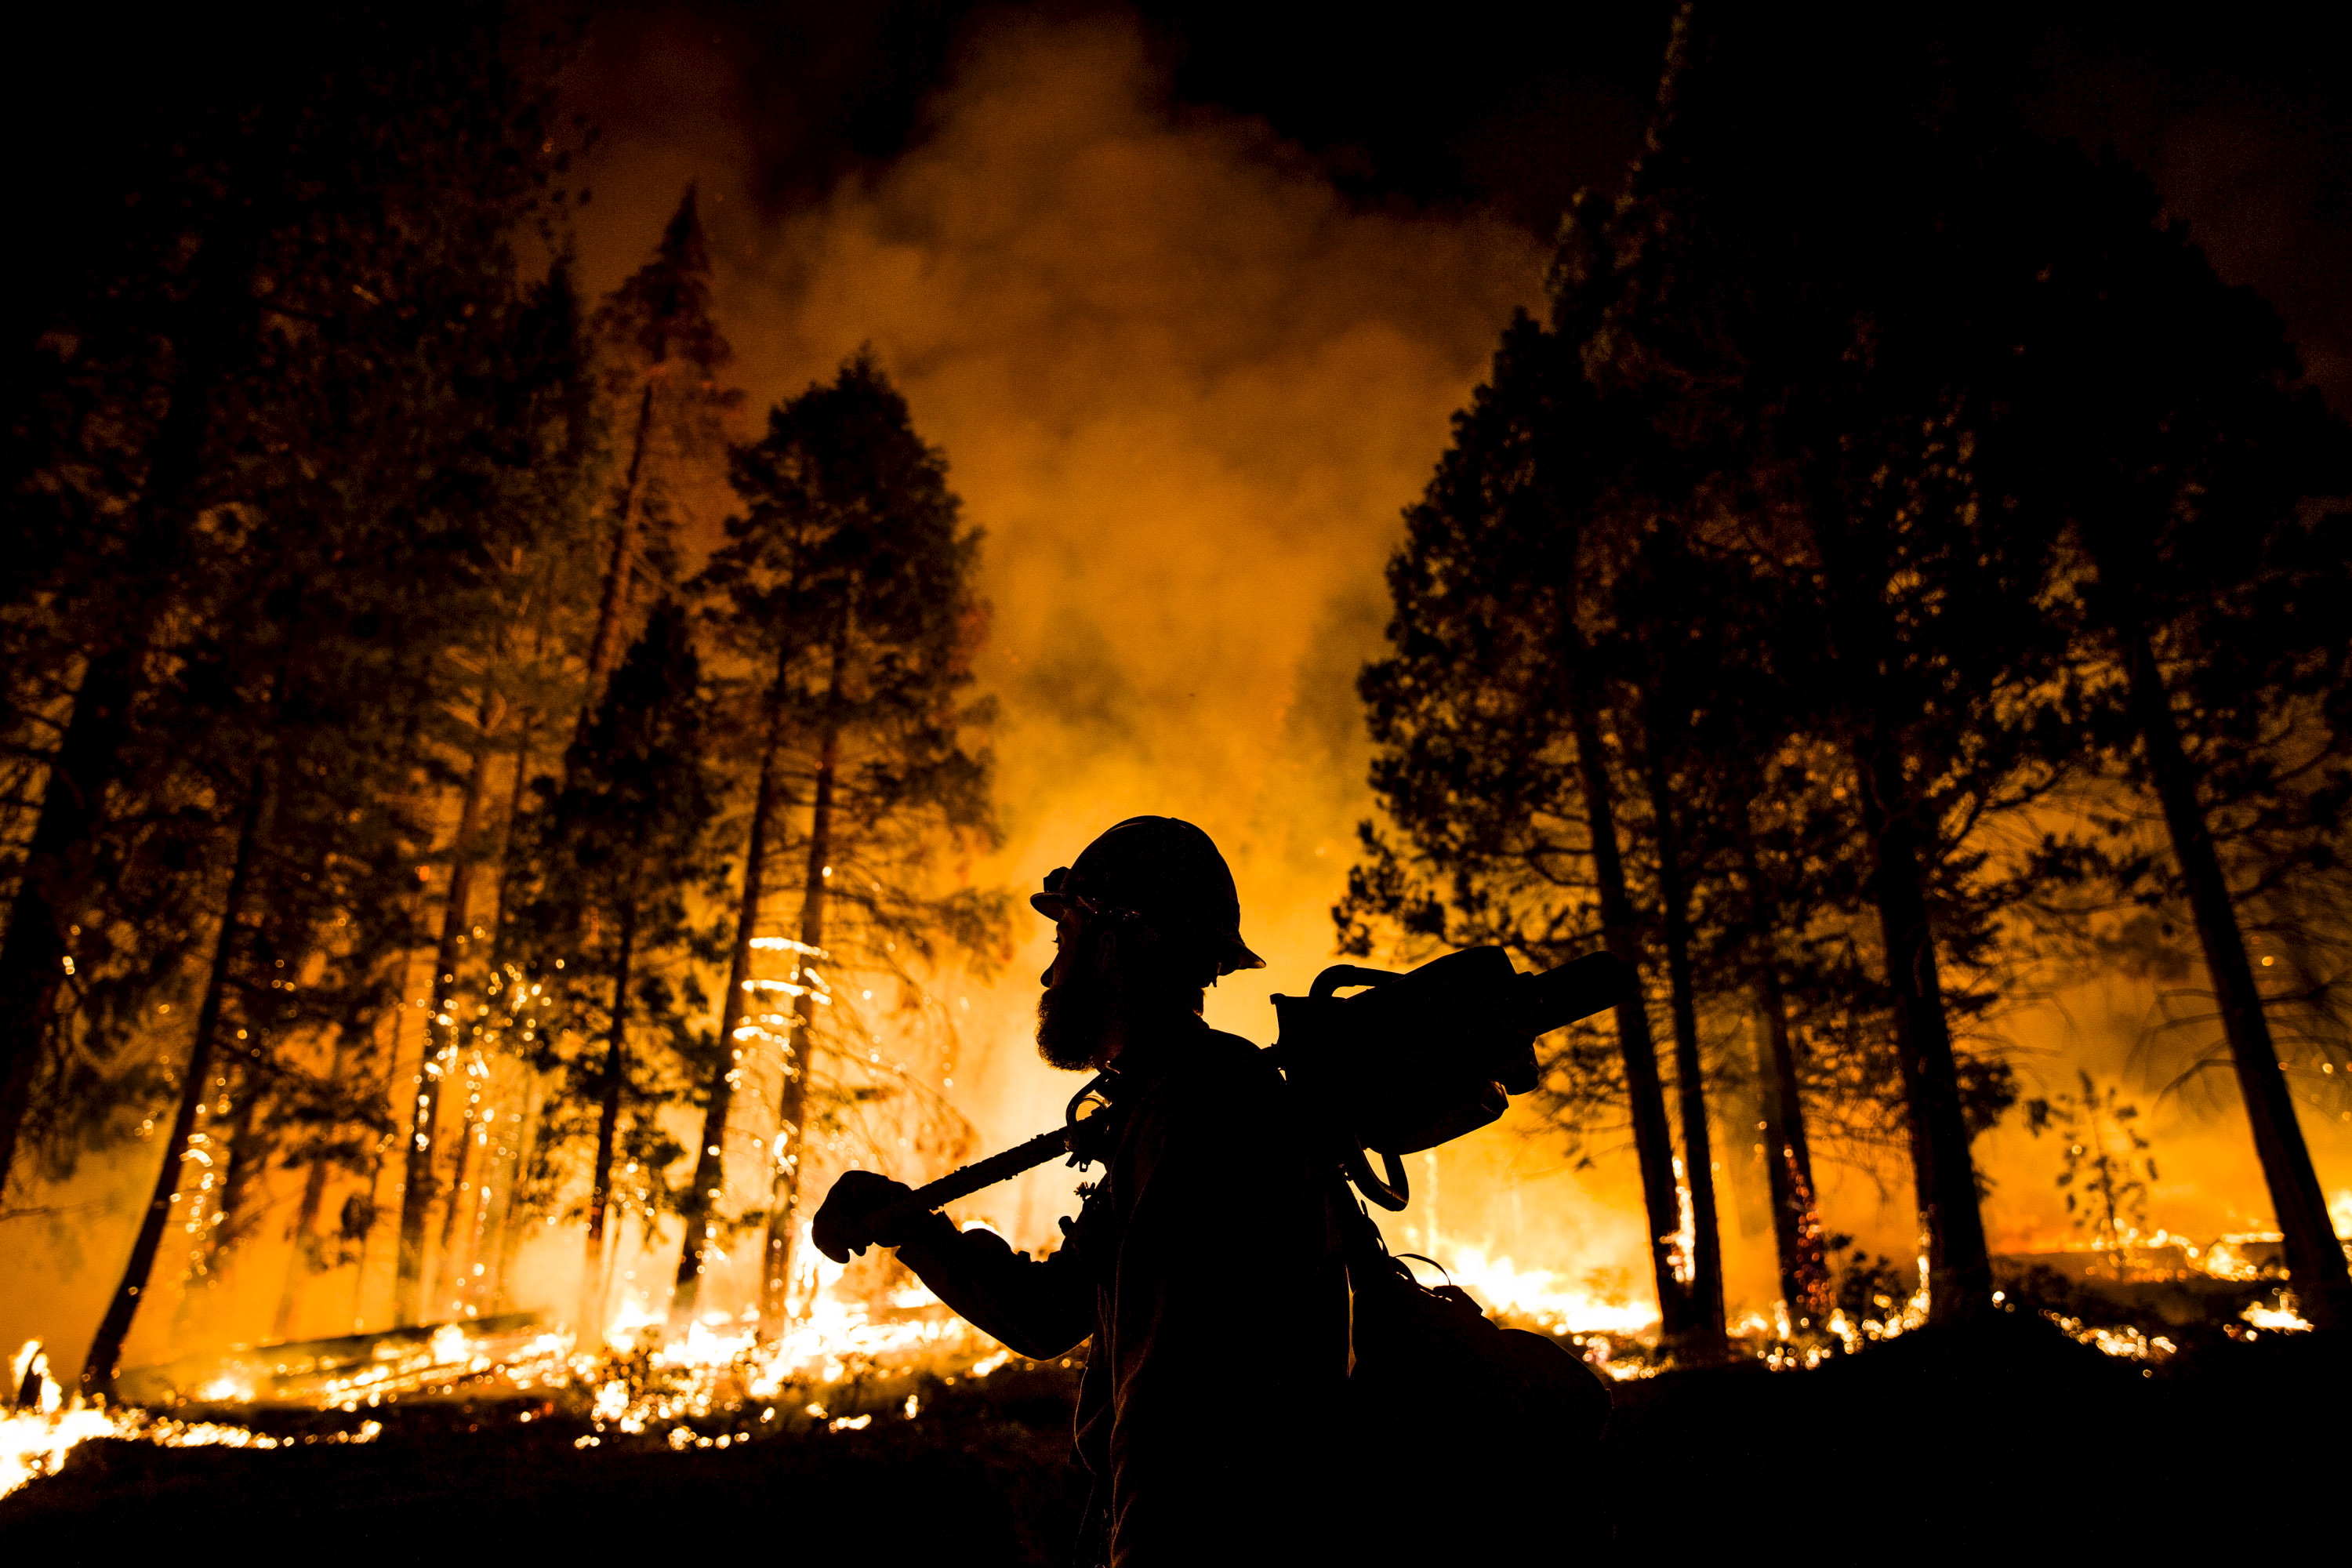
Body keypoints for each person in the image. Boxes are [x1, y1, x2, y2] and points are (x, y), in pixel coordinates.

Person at [814, 816, 1348, 1566]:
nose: (1049, 973)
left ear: (1108, 945)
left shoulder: (1197, 1115)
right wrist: (914, 1229)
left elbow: (1172, 1406)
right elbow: (1048, 1313)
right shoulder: (1171, 1105)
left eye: (1062, 943)